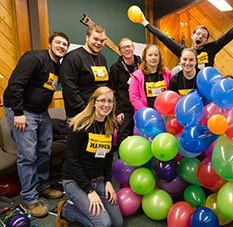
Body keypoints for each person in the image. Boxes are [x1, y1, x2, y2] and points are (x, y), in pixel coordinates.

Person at [3, 32, 70, 217]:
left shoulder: (58, 67)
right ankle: (30, 197)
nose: (61, 46)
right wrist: (18, 113)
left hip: (41, 113)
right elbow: (15, 84)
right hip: (23, 112)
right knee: (28, 155)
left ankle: (42, 185)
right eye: (58, 42)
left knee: (44, 151)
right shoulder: (34, 58)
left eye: (65, 44)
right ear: (50, 44)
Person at [56, 86, 123, 227]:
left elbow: (108, 157)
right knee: (104, 224)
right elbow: (72, 161)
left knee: (117, 223)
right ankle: (67, 210)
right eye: (102, 100)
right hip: (75, 181)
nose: (106, 105)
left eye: (110, 101)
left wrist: (108, 181)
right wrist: (89, 191)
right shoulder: (80, 125)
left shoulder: (110, 125)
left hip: (98, 179)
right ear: (94, 102)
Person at [139, 8, 233, 69]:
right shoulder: (184, 51)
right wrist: (146, 23)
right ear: (192, 36)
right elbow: (163, 38)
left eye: (204, 36)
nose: (200, 37)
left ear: (206, 41)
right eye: (198, 34)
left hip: (207, 86)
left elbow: (232, 33)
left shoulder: (211, 48)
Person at [61, 24, 109, 118]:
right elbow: (69, 90)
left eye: (102, 41)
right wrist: (86, 111)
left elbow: (105, 85)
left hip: (101, 113)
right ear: (87, 38)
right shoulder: (73, 57)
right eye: (95, 39)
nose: (99, 43)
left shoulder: (102, 58)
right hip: (80, 115)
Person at [109, 38, 141, 147]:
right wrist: (117, 112)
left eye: (129, 46)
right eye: (123, 47)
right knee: (124, 140)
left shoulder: (142, 64)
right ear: (120, 50)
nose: (127, 49)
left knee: (141, 138)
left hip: (140, 108)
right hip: (125, 111)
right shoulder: (115, 68)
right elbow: (113, 91)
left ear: (133, 47)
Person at [128, 44, 172, 111]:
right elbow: (134, 97)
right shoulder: (137, 76)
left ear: (160, 57)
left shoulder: (167, 73)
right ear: (145, 57)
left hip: (164, 114)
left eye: (156, 55)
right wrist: (146, 112)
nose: (153, 58)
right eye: (150, 55)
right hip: (145, 115)